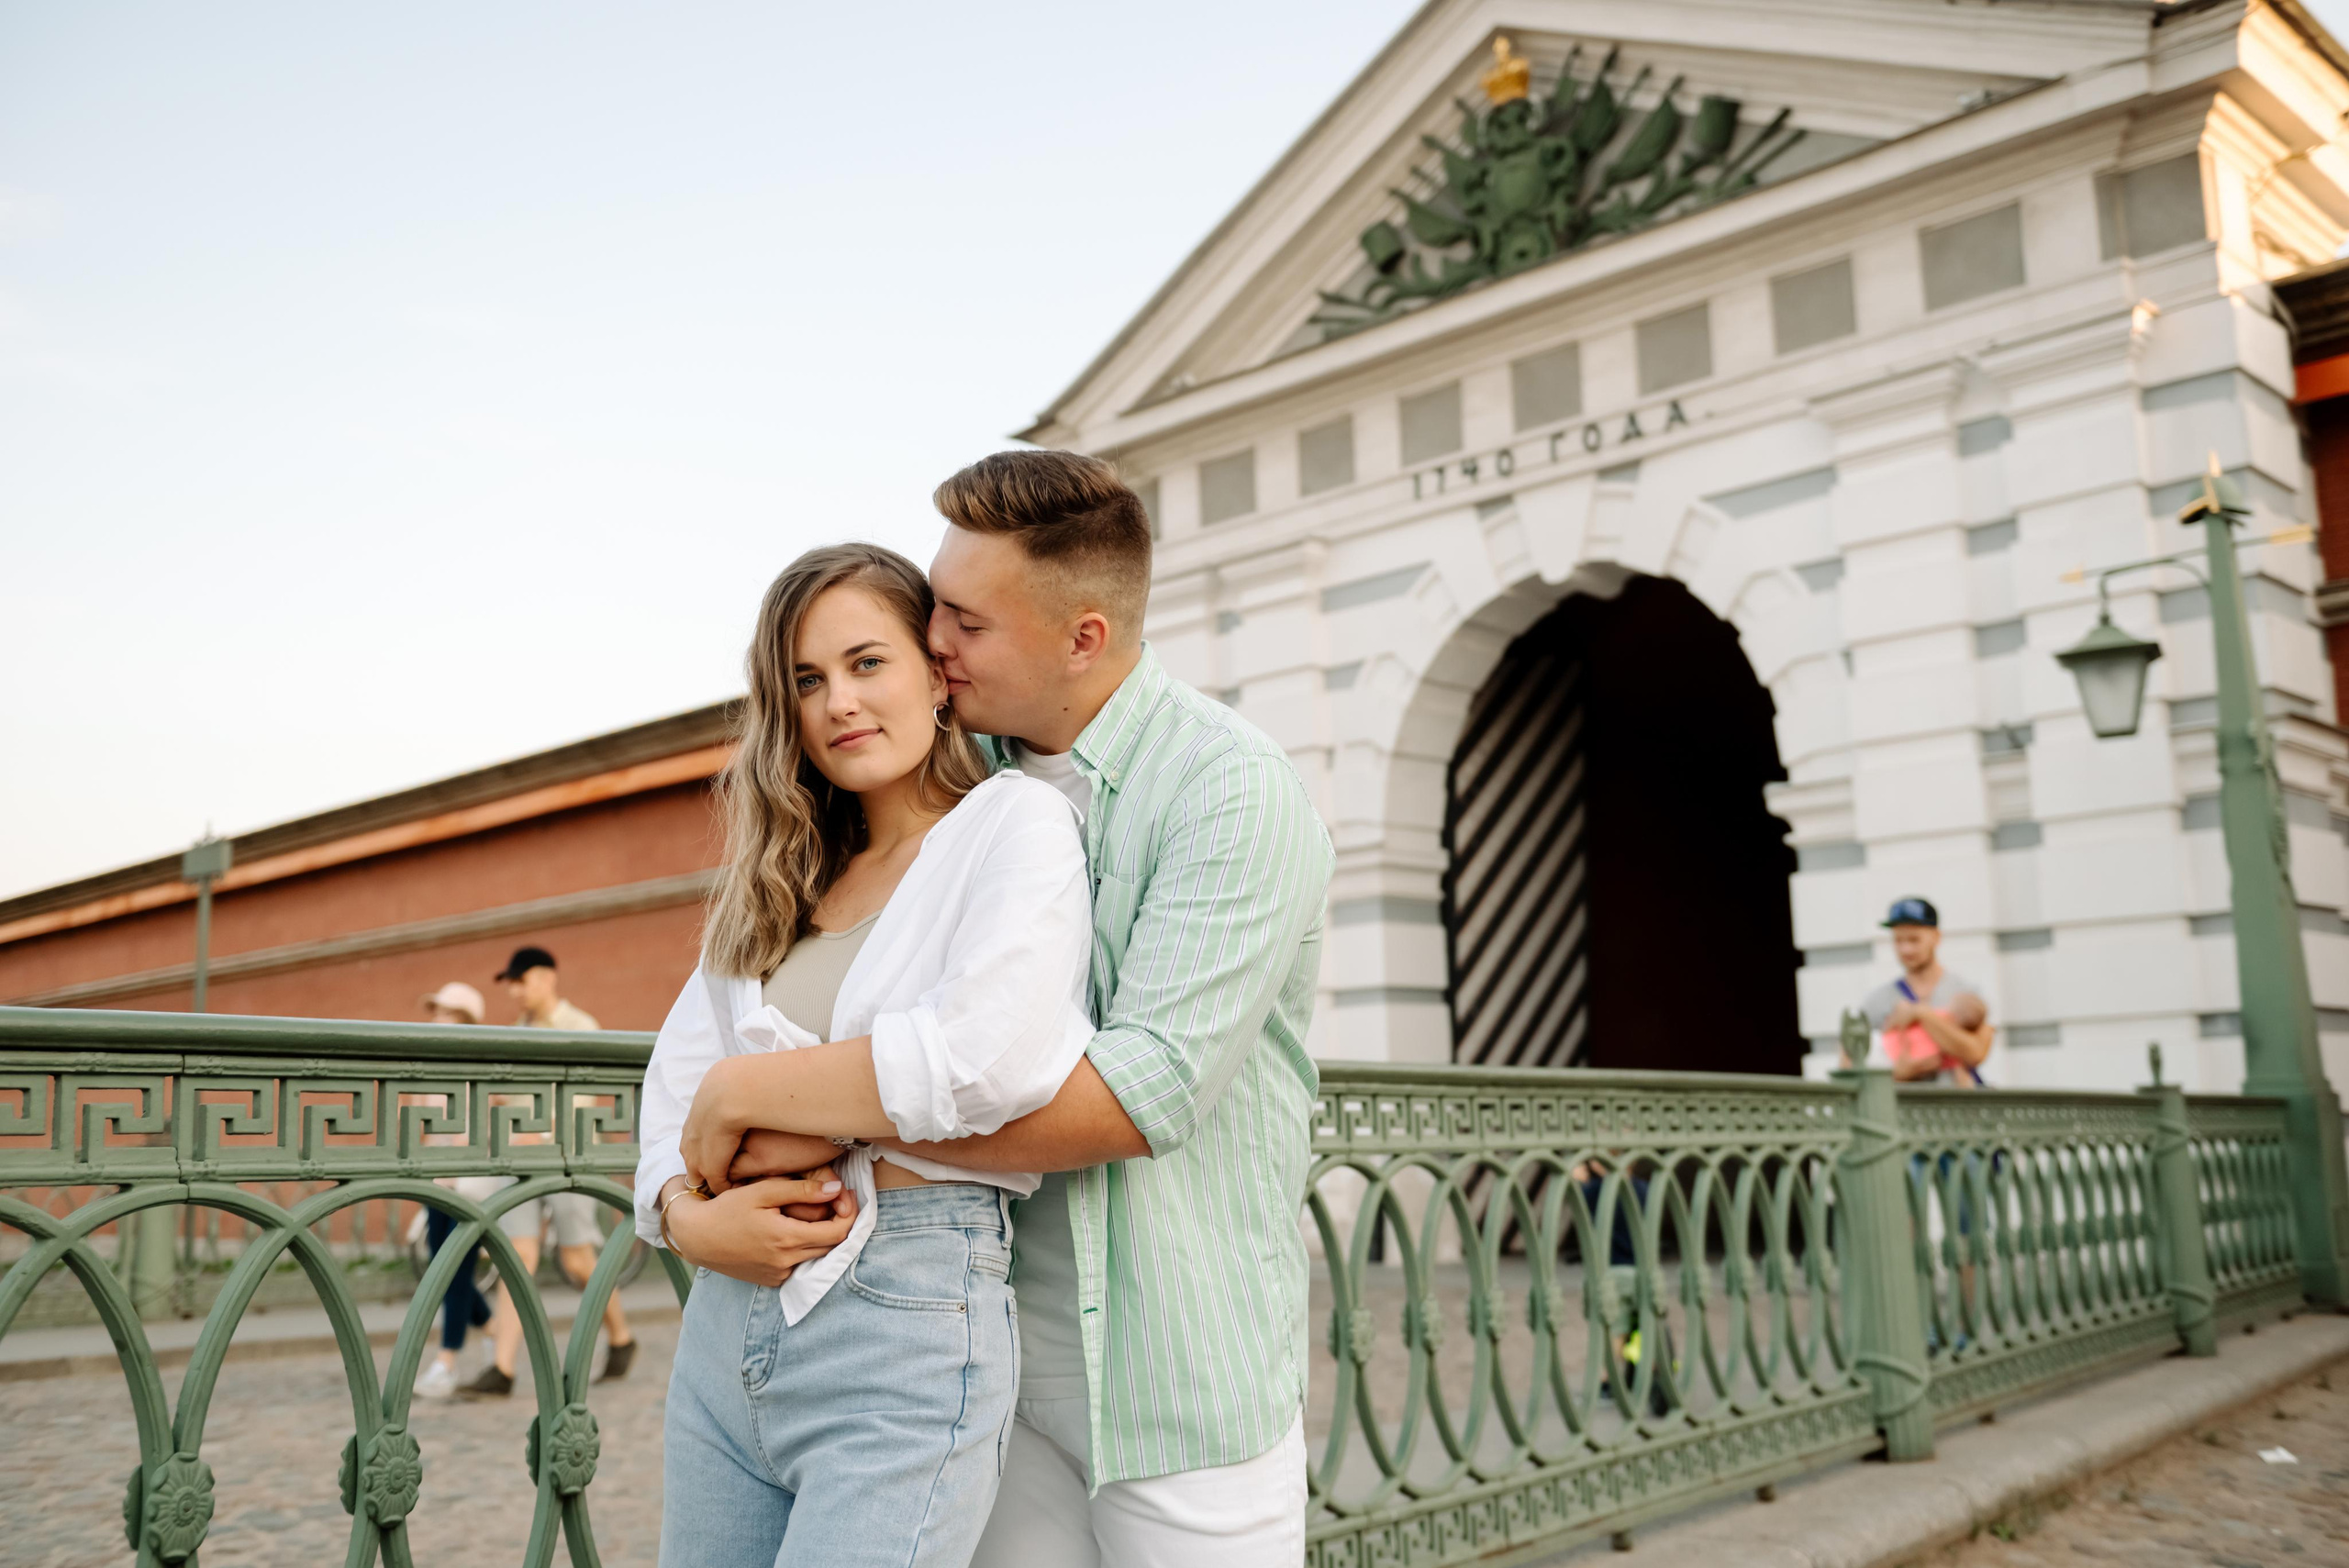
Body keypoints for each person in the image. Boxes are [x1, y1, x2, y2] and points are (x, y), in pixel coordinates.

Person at [677, 450, 1335, 1567]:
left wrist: (782, 1108)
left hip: (1171, 1371)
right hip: (972, 1350)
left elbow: (1138, 1095)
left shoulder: (1230, 788)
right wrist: (689, 1205)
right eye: (935, 605)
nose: (935, 641)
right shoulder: (951, 776)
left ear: (1083, 635)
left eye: (967, 623)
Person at [637, 541, 1099, 1567]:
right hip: (722, 1335)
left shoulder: (1010, 826)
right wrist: (686, 1218)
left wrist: (746, 1090)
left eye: (865, 662)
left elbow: (988, 1058)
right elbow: (669, 1095)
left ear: (937, 675)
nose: (837, 700)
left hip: (904, 1319)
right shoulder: (779, 876)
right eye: (807, 680)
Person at [455, 945, 637, 1396]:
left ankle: (621, 1336)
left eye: (521, 980)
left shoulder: (581, 1027)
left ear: (547, 978)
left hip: (569, 1160)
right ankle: (502, 1369)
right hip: (522, 1165)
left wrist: (539, 1133)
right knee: (517, 1258)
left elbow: (583, 1101)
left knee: (577, 1260)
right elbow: (507, 1098)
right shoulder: (516, 1033)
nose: (515, 990)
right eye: (511, 983)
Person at [411, 982, 494, 1400]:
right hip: (436, 1181)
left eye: (446, 1012)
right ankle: (493, 1328)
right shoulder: (433, 1063)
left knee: (455, 1271)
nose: (436, 1019)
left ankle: (446, 1362)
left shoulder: (476, 1066)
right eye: (437, 1011)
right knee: (439, 1268)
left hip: (467, 1185)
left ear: (465, 1020)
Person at [1845, 898, 1994, 1084]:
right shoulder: (1878, 1000)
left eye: (1914, 939)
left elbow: (1977, 1053)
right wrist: (1896, 1074)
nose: (1905, 949)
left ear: (1936, 937)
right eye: (1898, 940)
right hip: (1904, 1108)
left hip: (1957, 1106)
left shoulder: (1965, 992)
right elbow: (1847, 1065)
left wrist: (1920, 1013)